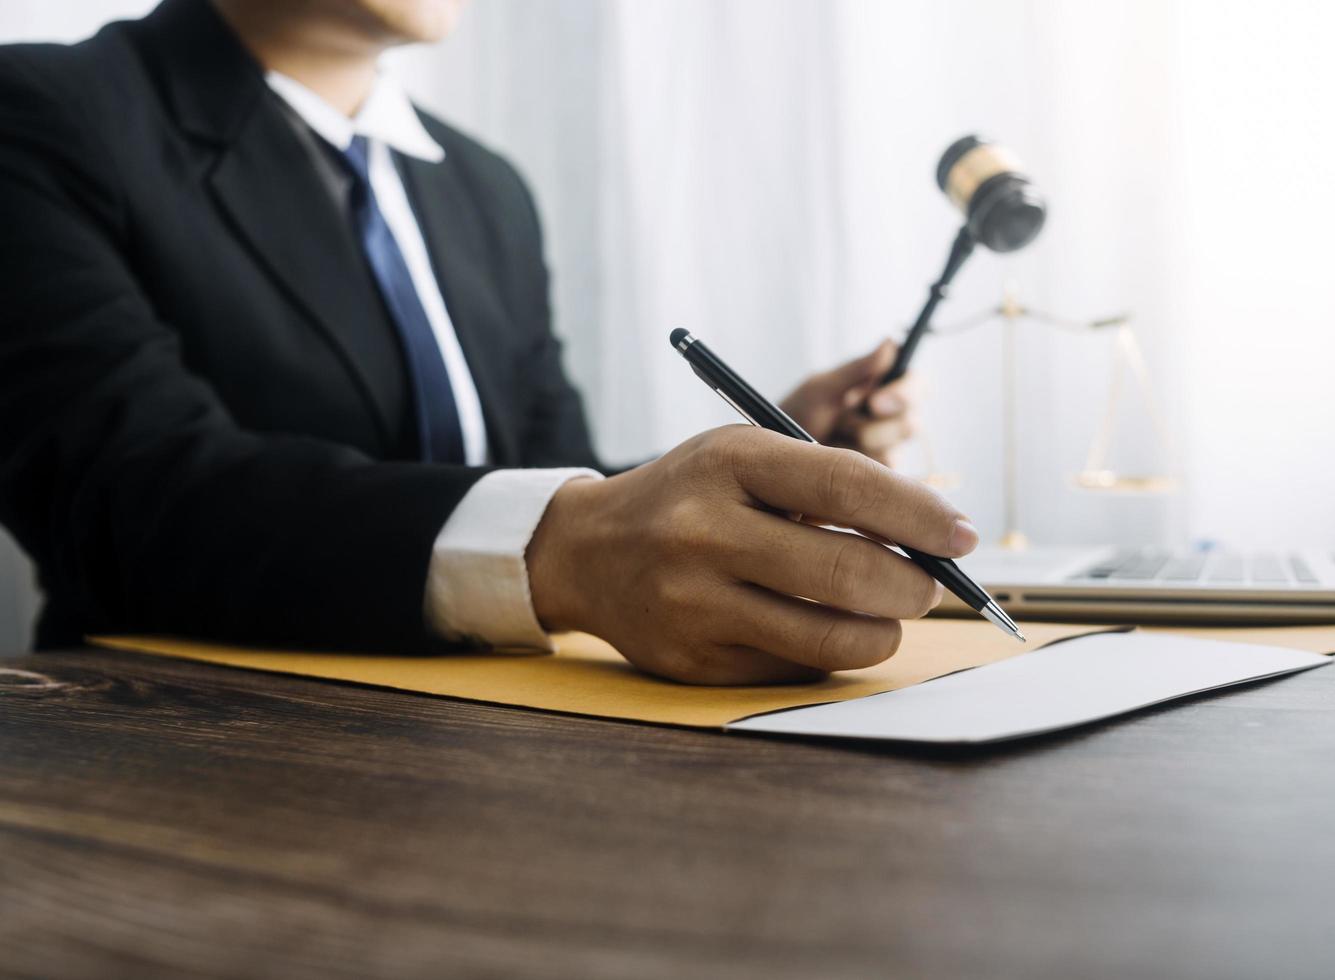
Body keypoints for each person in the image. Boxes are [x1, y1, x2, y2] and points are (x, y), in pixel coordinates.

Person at [0, 0, 980, 685]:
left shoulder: (483, 188)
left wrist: (765, 469)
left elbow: (550, 489)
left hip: (514, 727)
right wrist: (581, 542)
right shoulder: (42, 114)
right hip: (184, 749)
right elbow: (129, 494)